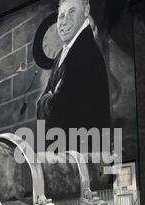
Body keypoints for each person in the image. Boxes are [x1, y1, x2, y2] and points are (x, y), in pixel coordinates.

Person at [36, 0, 111, 136]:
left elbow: (59, 110)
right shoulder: (62, 54)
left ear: (86, 10)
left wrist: (47, 99)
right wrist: (49, 99)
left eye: (72, 11)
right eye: (61, 16)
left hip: (82, 150)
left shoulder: (85, 51)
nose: (64, 21)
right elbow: (40, 107)